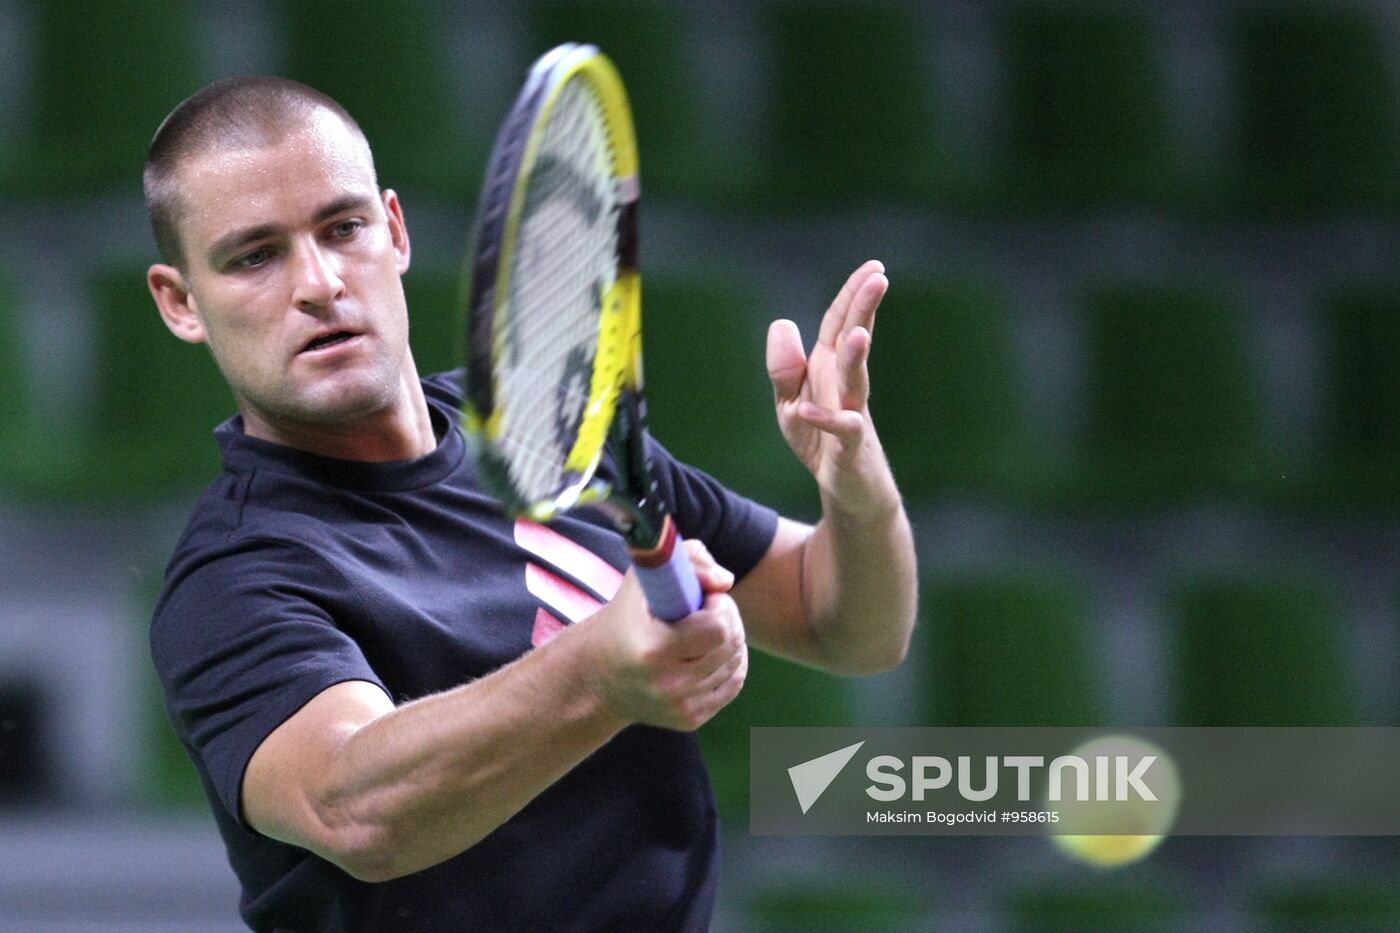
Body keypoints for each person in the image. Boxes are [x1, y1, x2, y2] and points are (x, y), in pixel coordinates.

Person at [145, 75, 916, 933]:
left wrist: (856, 487)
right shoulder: (232, 578)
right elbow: (355, 808)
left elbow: (847, 625)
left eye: (343, 228)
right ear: (181, 303)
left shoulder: (549, 427)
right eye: (255, 255)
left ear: (393, 230)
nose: (320, 281)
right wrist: (602, 670)